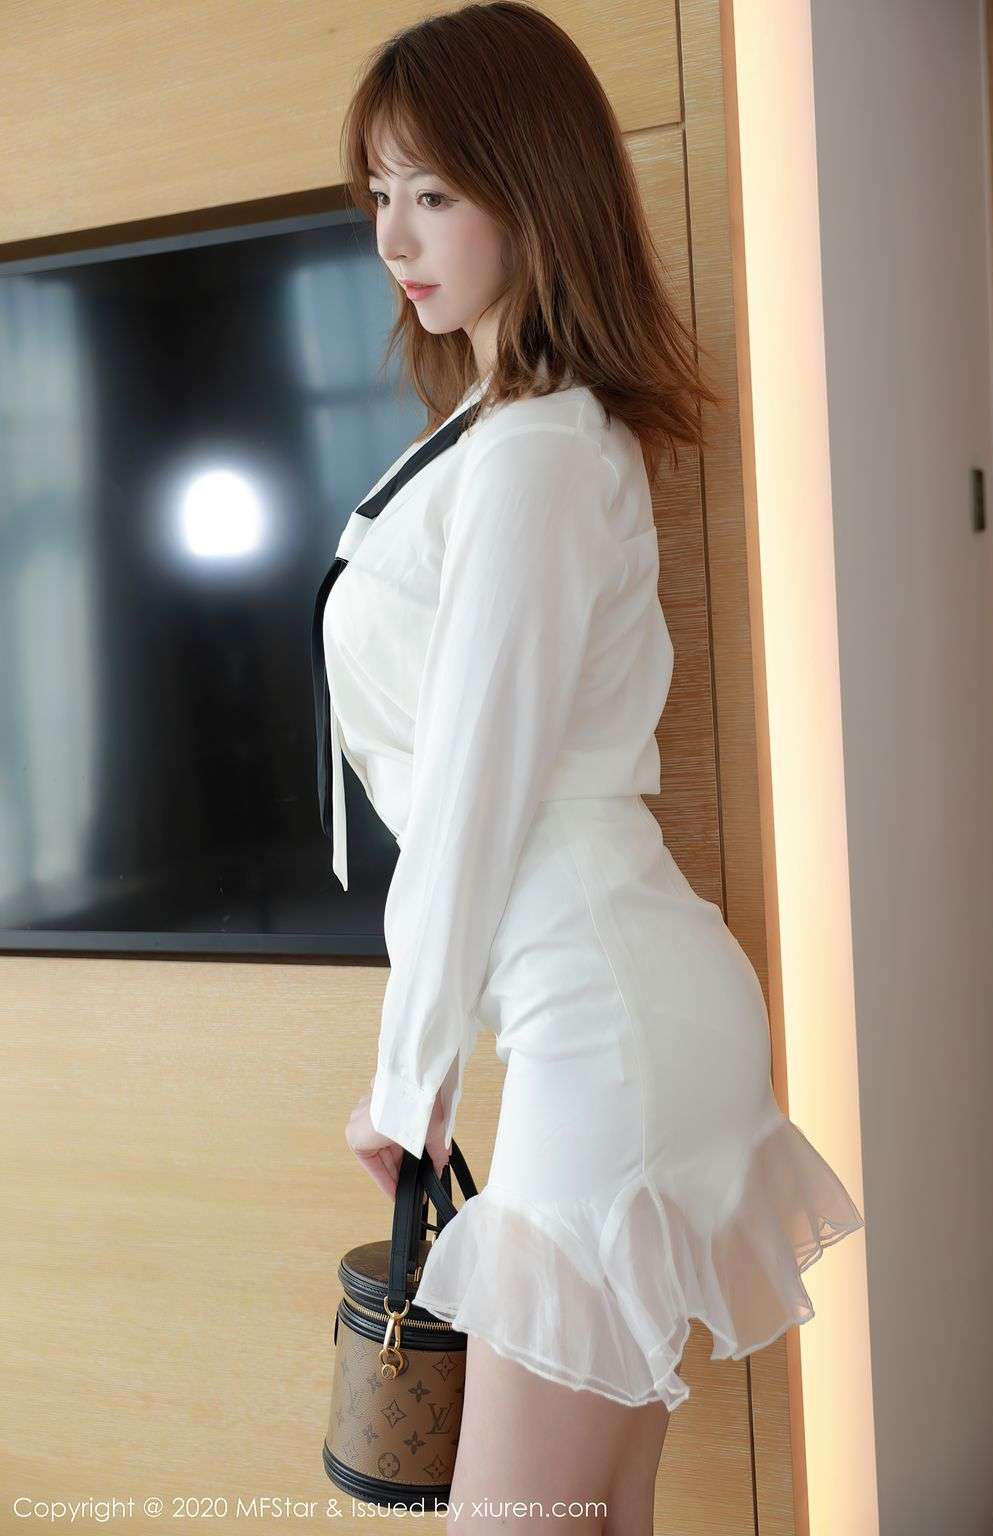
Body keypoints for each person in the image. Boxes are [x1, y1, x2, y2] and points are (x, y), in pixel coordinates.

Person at [323, 4, 865, 1530]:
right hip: (599, 995)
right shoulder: (495, 433)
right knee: (590, 1514)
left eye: (434, 192)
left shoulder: (539, 453)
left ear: (533, 190)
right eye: (379, 193)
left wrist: (409, 1078)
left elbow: (475, 792)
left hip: (603, 1014)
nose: (394, 238)